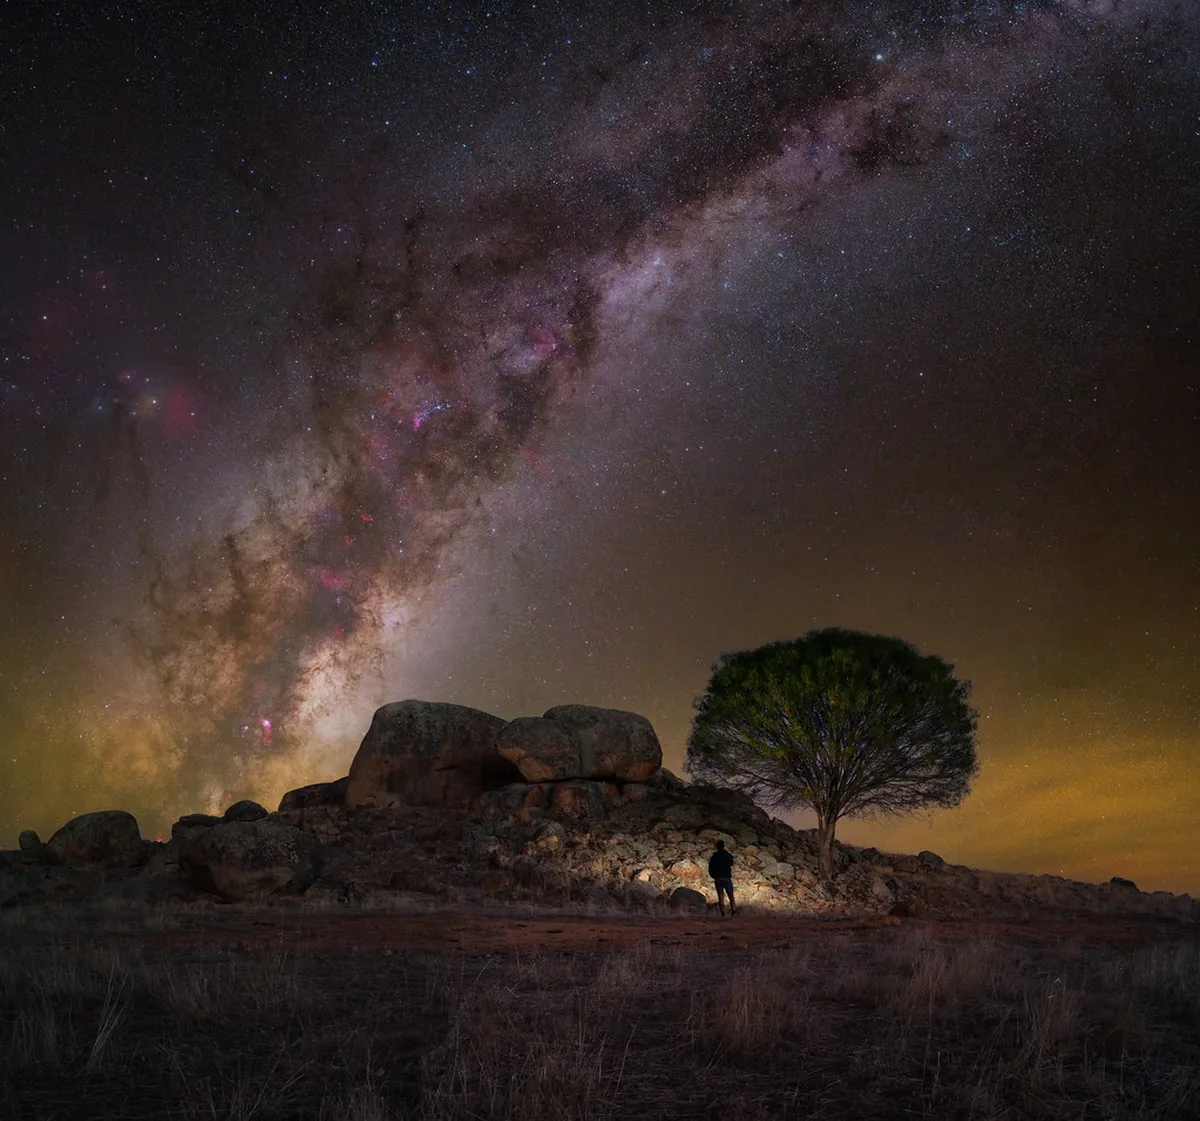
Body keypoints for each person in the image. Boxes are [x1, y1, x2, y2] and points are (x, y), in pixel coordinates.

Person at [708, 839, 737, 916]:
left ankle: (723, 913)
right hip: (727, 877)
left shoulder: (714, 856)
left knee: (721, 896)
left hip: (718, 878)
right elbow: (731, 863)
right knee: (731, 895)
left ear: (717, 847)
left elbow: (710, 867)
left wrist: (713, 876)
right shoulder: (728, 855)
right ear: (724, 846)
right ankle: (733, 911)